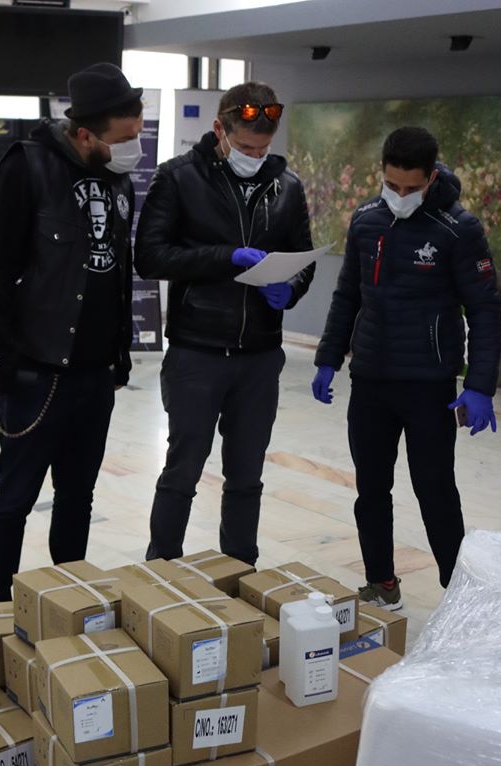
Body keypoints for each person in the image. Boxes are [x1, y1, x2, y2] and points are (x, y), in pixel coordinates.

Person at [312, 126, 501, 610]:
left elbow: (485, 309)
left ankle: (459, 597)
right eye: (391, 185)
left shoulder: (458, 229)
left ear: (431, 177)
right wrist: (328, 358)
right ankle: (382, 583)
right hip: (371, 381)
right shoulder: (366, 220)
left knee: (435, 490)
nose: (399, 196)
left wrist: (479, 385)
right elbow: (347, 295)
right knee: (371, 489)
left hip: (428, 386)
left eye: (410, 187)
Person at [0, 63, 143, 601]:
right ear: (85, 134)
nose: (133, 149)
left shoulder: (116, 177)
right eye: (124, 139)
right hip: (37, 373)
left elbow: (116, 271)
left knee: (77, 498)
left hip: (95, 375)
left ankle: (68, 604)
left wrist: (119, 357)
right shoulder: (28, 167)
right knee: (14, 500)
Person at [135, 81, 315, 565]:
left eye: (262, 149)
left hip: (259, 355)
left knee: (247, 475)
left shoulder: (287, 186)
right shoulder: (178, 178)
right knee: (182, 470)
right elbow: (149, 256)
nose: (254, 157)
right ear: (219, 129)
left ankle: (240, 570)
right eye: (245, 147)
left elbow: (303, 259)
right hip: (197, 350)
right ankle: (162, 570)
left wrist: (291, 289)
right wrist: (225, 257)